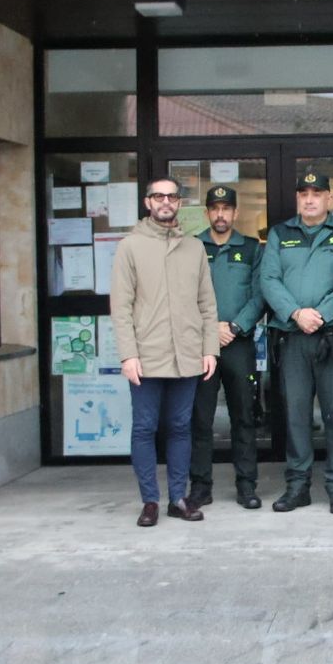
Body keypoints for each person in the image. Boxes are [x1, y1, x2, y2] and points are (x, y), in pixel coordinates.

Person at [110, 176, 218, 526]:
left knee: (180, 427)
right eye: (159, 196)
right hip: (147, 354)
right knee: (144, 428)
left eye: (172, 196)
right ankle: (150, 501)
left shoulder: (194, 248)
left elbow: (207, 303)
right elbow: (121, 306)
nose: (166, 202)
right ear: (148, 202)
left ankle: (178, 498)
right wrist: (128, 355)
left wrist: (209, 349)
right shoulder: (131, 246)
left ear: (180, 203)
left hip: (186, 353)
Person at [259, 171, 333, 514]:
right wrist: (296, 313)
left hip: (332, 337)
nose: (310, 199)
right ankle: (298, 486)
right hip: (291, 336)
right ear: (298, 198)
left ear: (329, 198)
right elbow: (268, 279)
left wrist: (322, 313)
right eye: (304, 193)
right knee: (296, 415)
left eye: (317, 193)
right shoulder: (280, 233)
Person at [188, 185, 265, 510]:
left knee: (244, 418)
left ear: (235, 212)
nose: (221, 214)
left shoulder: (250, 248)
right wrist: (210, 329)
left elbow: (260, 294)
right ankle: (201, 487)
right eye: (215, 208)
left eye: (226, 208)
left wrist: (234, 327)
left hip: (239, 345)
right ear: (207, 212)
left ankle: (246, 486)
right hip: (202, 347)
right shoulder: (191, 248)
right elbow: (182, 296)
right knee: (200, 420)